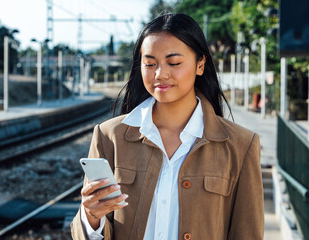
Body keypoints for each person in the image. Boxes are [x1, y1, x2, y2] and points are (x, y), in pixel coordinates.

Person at [71, 13, 264, 240]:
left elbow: (248, 234)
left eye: (174, 63)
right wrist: (91, 218)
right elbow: (86, 231)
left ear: (200, 64)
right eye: (150, 64)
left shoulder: (241, 145)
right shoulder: (109, 136)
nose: (160, 74)